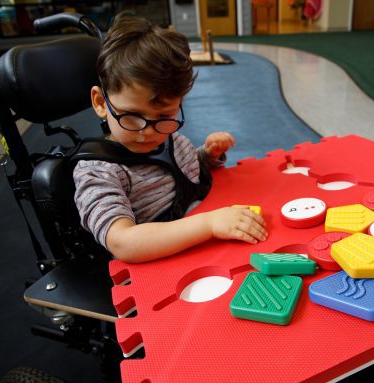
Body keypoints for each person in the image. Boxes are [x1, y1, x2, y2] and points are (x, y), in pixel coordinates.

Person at [73, 16, 268, 263]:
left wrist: (207, 156)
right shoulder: (99, 172)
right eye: (132, 116)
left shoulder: (170, 139)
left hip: (205, 245)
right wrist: (208, 223)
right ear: (101, 103)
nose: (149, 132)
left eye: (165, 115)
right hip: (162, 268)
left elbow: (180, 174)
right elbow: (122, 242)